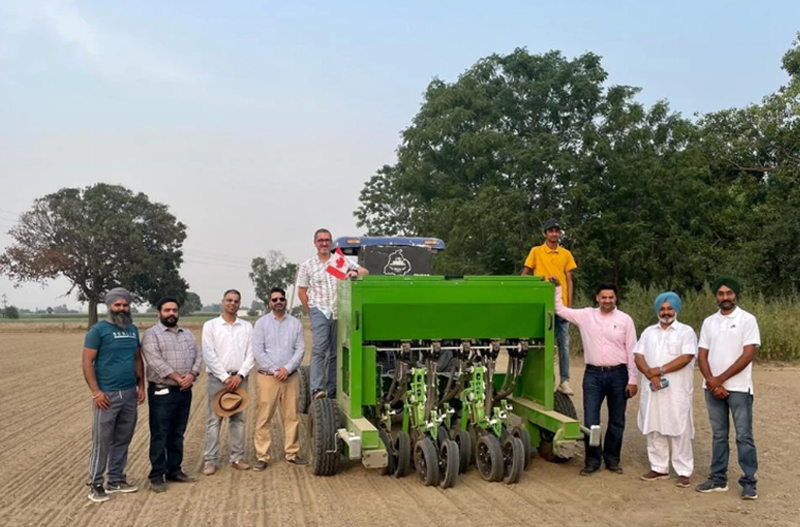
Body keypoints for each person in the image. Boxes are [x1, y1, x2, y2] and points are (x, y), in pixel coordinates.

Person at [551, 277, 638, 475]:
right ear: (597, 298)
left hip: (618, 375)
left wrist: (633, 380)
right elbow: (560, 310)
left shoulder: (625, 320)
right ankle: (592, 460)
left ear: (616, 298)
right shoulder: (586, 316)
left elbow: (632, 350)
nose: (607, 300)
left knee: (617, 420)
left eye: (611, 297)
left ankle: (612, 459)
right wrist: (557, 287)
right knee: (591, 420)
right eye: (603, 297)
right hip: (593, 375)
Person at [695, 277, 761, 500]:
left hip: (739, 388)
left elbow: (747, 355)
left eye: (729, 293)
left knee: (744, 436)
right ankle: (718, 479)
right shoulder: (709, 322)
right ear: (716, 296)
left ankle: (749, 482)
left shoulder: (747, 319)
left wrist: (719, 380)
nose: (725, 297)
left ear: (736, 295)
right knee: (719, 435)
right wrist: (711, 381)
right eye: (721, 293)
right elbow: (702, 355)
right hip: (712, 389)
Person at [81, 287, 145, 503]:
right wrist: (96, 392)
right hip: (107, 395)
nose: (122, 308)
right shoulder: (98, 331)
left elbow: (137, 359)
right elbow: (87, 362)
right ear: (109, 306)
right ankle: (96, 483)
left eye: (125, 305)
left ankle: (116, 478)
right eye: (117, 305)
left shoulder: (132, 330)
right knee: (102, 440)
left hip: (129, 393)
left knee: (123, 438)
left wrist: (141, 385)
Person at [634, 292, 697, 488]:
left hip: (676, 390)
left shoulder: (685, 331)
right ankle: (659, 467)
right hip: (652, 387)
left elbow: (686, 357)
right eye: (662, 309)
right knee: (654, 426)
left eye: (670, 308)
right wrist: (650, 374)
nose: (666, 312)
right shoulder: (648, 332)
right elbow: (638, 355)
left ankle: (684, 470)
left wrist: (660, 370)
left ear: (676, 309)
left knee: (680, 428)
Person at [297, 228, 367, 399]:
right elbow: (302, 291)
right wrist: (311, 313)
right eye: (320, 240)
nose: (324, 243)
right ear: (315, 243)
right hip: (319, 309)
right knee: (320, 349)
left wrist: (353, 272)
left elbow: (365, 272)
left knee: (336, 352)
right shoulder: (308, 265)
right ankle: (316, 388)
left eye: (327, 240)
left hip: (338, 311)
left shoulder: (339, 261)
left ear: (331, 242)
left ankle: (332, 389)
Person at [141, 297, 202, 493]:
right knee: (160, 434)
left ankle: (174, 470)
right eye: (167, 310)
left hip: (184, 391)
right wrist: (177, 377)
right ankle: (157, 475)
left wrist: (192, 375)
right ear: (159, 313)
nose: (171, 313)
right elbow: (154, 361)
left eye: (174, 310)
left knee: (177, 433)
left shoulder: (187, 334)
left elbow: (198, 355)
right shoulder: (152, 335)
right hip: (162, 391)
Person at [251, 287, 308, 469]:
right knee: (264, 418)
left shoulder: (295, 324)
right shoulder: (261, 324)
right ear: (270, 303)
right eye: (274, 299)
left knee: (292, 417)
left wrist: (287, 369)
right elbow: (258, 351)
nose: (278, 302)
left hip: (290, 378)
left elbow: (300, 349)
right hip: (268, 378)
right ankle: (262, 456)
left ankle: (292, 453)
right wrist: (276, 370)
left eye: (281, 299)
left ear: (285, 301)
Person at [522, 218, 578, 395]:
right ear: (545, 234)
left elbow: (569, 279)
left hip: (560, 303)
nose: (554, 234)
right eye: (551, 231)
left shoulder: (565, 254)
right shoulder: (536, 251)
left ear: (559, 233)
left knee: (564, 343)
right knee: (543, 344)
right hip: (542, 305)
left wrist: (569, 305)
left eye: (556, 231)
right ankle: (548, 381)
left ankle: (565, 380)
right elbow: (525, 274)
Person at [201, 289, 254, 475]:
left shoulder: (247, 326)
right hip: (218, 379)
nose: (232, 303)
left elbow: (251, 353)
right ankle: (210, 460)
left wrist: (240, 375)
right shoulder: (211, 326)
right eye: (229, 300)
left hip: (240, 379)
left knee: (238, 419)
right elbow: (209, 354)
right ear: (223, 302)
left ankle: (237, 457)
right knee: (214, 420)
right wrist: (225, 377)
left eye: (236, 301)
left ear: (239, 304)